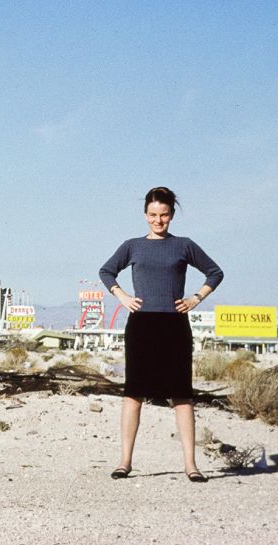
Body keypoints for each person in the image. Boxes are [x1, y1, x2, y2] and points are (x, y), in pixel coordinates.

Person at [99, 186, 224, 483]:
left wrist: (196, 298)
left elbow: (215, 272)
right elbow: (106, 272)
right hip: (141, 325)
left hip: (175, 326)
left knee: (181, 396)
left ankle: (191, 466)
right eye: (153, 215)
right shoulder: (132, 246)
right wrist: (122, 296)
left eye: (164, 215)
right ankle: (125, 462)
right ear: (145, 215)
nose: (158, 220)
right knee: (134, 394)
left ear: (171, 215)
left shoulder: (184, 245)